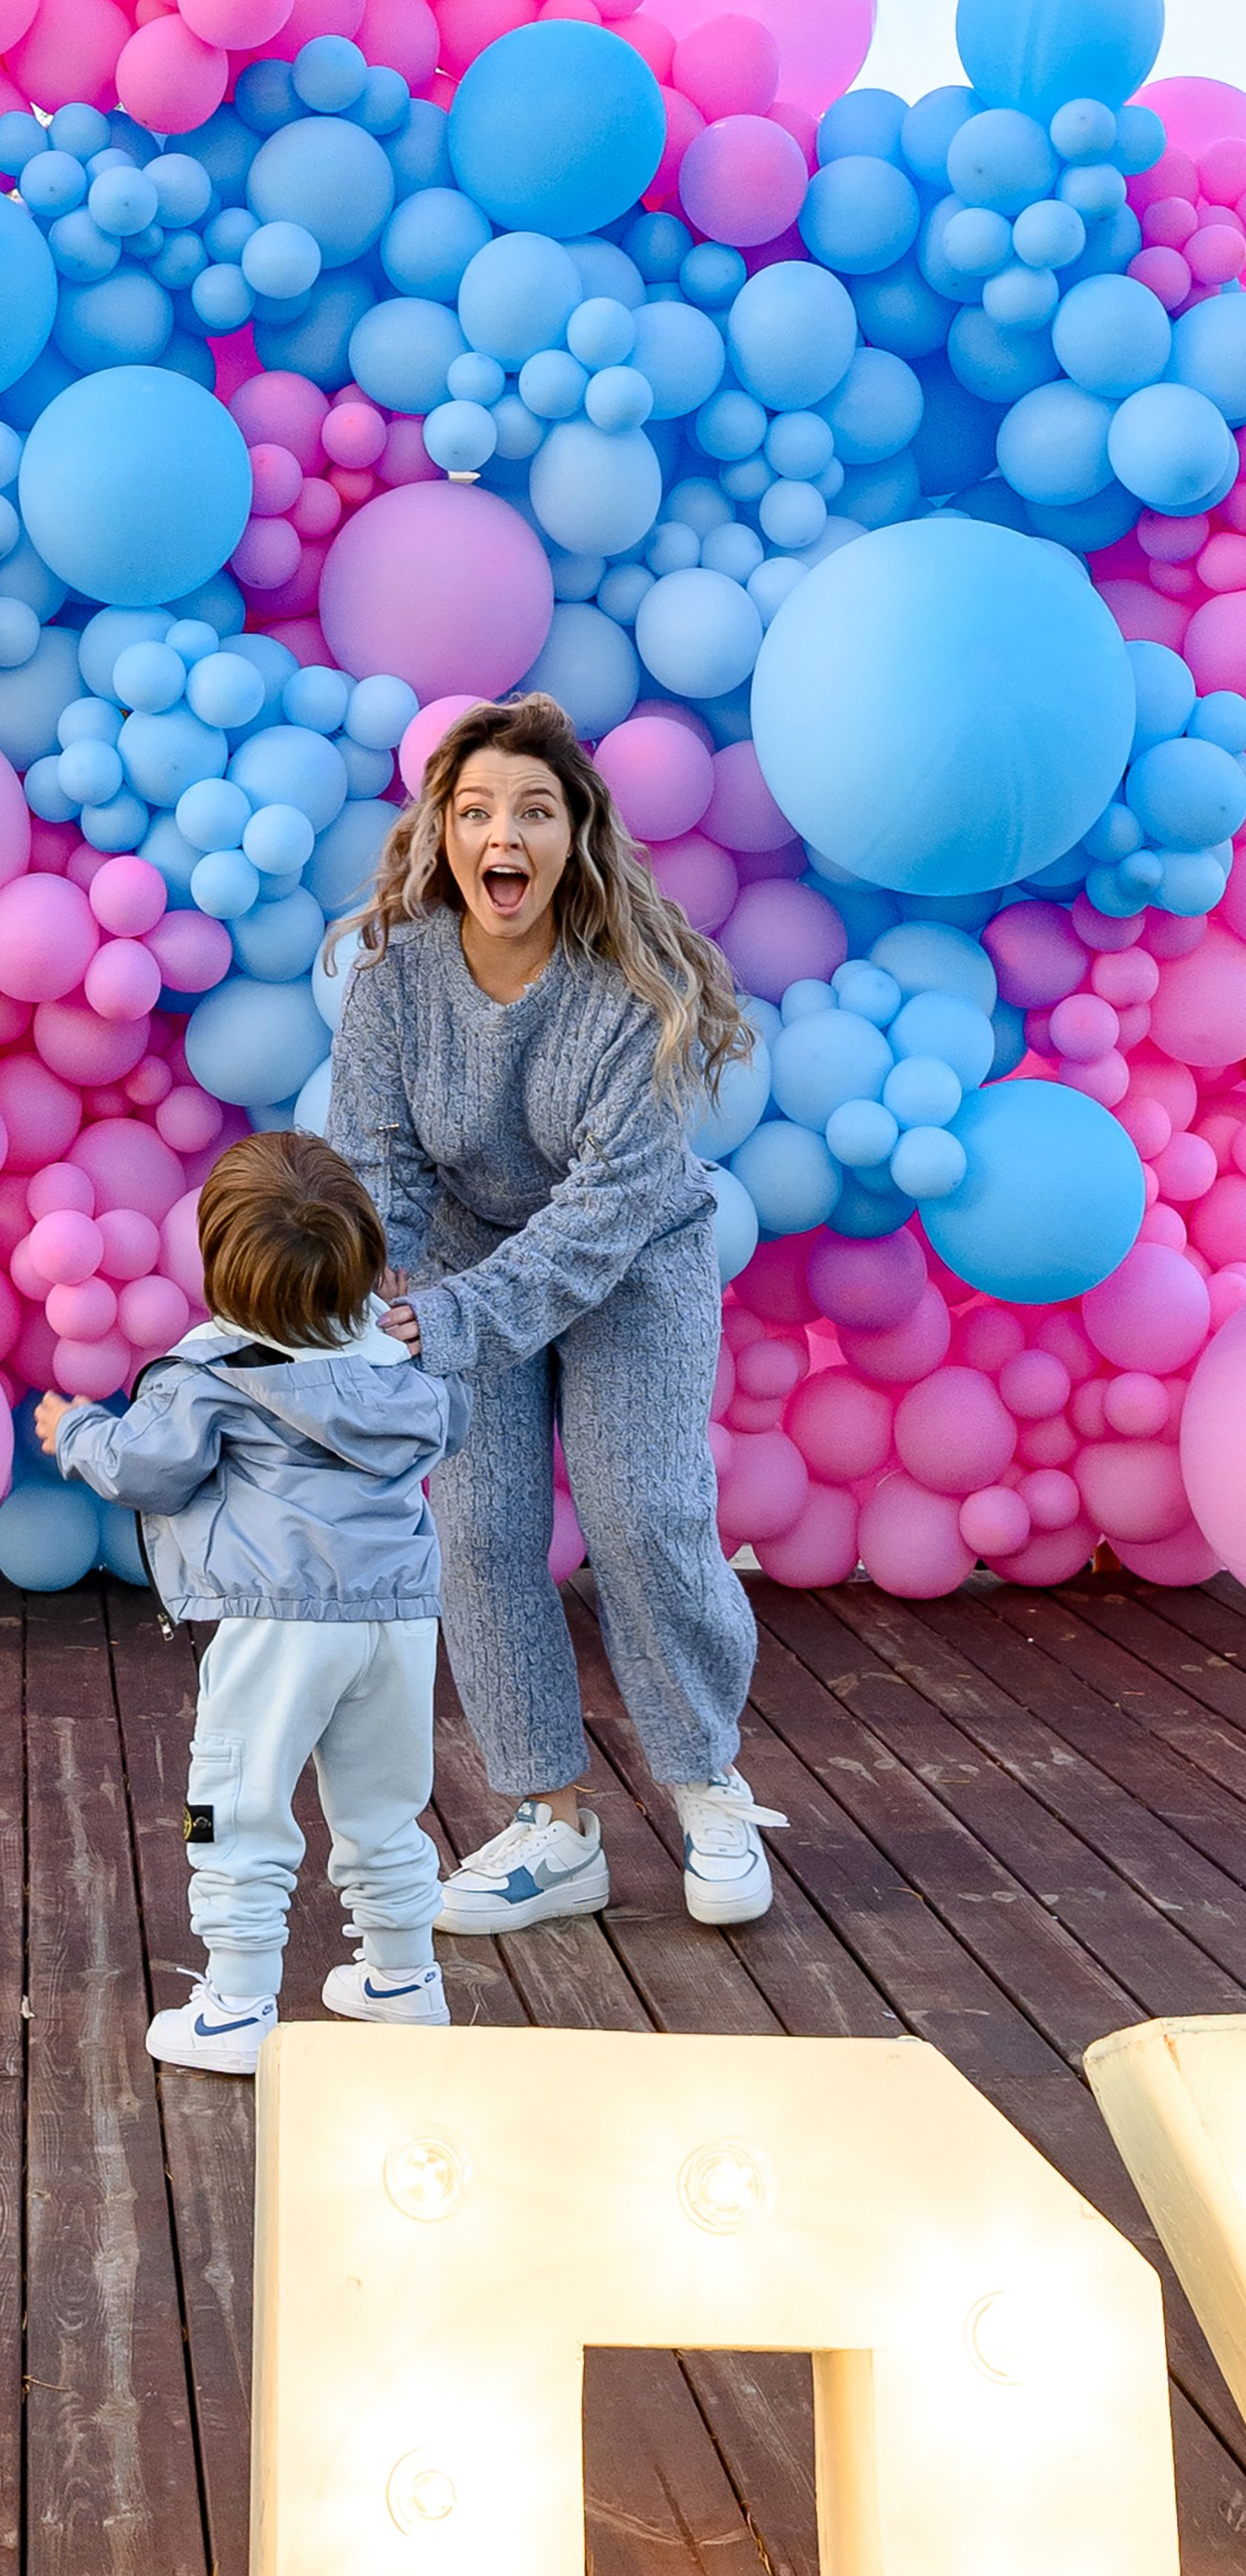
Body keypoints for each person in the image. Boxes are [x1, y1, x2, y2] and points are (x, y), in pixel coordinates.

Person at [326, 694, 786, 1935]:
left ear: (574, 833)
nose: (503, 833)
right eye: (477, 810)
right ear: (444, 834)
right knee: (479, 1530)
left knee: (642, 1511)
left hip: (632, 1261)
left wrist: (449, 1318)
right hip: (462, 1264)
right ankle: (551, 1822)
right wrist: (375, 1288)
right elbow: (377, 1162)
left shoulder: (627, 988)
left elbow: (602, 1213)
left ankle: (706, 1784)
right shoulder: (396, 978)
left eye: (533, 810)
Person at [35, 1130, 467, 2074]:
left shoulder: (216, 1377)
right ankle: (403, 1976)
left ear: (224, 1268)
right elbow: (452, 1419)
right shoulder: (403, 1365)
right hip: (397, 1619)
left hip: (278, 1623)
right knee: (385, 1806)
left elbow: (146, 1469)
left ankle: (235, 2005)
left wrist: (78, 1432)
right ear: (361, 1259)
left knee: (228, 1803)